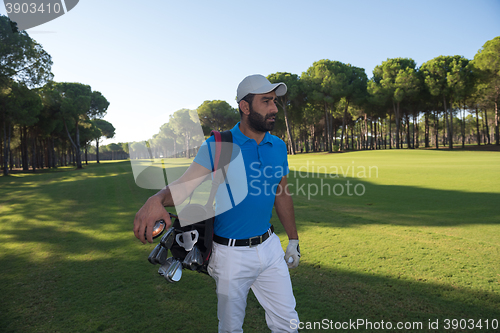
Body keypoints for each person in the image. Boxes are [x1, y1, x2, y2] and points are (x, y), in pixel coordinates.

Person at [133, 74, 301, 333]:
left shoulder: (277, 146)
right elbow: (185, 185)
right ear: (245, 107)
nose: (274, 109)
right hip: (230, 255)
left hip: (269, 248)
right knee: (231, 328)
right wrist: (156, 199)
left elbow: (281, 193)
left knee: (288, 322)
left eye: (275, 102)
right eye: (266, 101)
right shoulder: (219, 145)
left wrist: (293, 239)